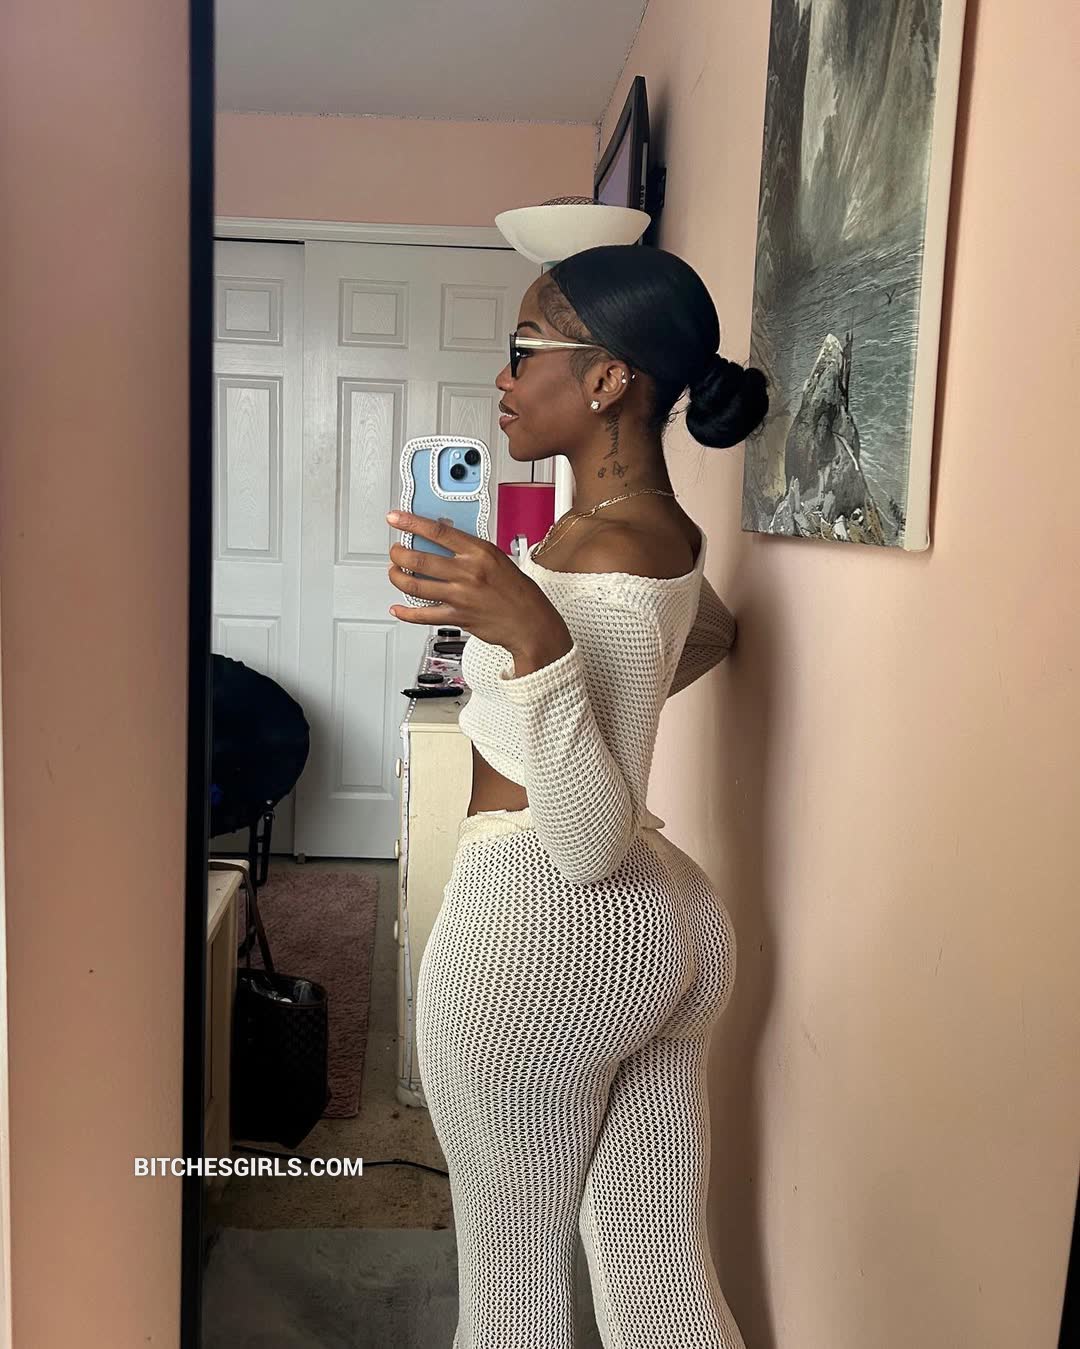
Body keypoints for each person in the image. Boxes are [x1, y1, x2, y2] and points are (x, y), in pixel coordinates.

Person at [413, 245, 768, 1348]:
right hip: (667, 930)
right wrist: (582, 665)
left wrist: (531, 631)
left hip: (543, 941)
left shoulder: (602, 551)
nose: (504, 378)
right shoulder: (658, 533)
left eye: (522, 350)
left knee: (511, 1290)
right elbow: (708, 633)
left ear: (608, 378)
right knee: (656, 1267)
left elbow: (585, 842)